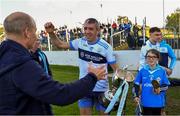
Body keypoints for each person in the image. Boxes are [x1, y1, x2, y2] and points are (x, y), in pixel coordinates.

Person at [0, 12, 107, 115]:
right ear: (27, 32)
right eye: (35, 31)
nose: (36, 36)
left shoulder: (5, 55)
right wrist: (92, 77)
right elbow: (61, 95)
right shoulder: (22, 63)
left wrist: (51, 33)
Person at [44, 18, 118, 115]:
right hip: (84, 87)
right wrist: (51, 33)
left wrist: (117, 90)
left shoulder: (106, 47)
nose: (87, 32)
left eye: (91, 29)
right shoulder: (80, 42)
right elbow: (60, 44)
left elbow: (116, 70)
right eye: (85, 28)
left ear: (98, 30)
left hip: (102, 90)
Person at [133, 49, 170, 115]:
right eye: (149, 57)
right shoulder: (142, 70)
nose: (151, 59)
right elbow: (136, 84)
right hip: (145, 102)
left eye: (154, 57)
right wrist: (136, 96)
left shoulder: (162, 71)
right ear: (146, 58)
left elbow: (166, 86)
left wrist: (159, 89)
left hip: (157, 103)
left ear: (157, 59)